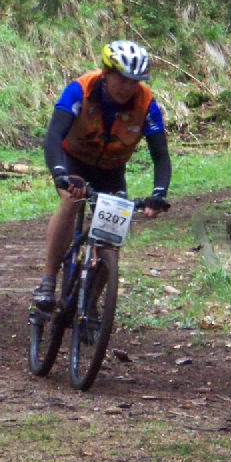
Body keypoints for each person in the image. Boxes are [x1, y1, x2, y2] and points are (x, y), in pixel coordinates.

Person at [32, 40, 172, 311]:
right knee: (71, 201)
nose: (128, 87)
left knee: (113, 236)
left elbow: (161, 156)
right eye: (122, 79)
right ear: (106, 73)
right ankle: (48, 279)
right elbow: (53, 136)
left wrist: (159, 193)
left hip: (111, 171)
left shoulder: (147, 105)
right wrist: (60, 172)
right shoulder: (80, 90)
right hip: (73, 162)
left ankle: (92, 302)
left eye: (135, 81)